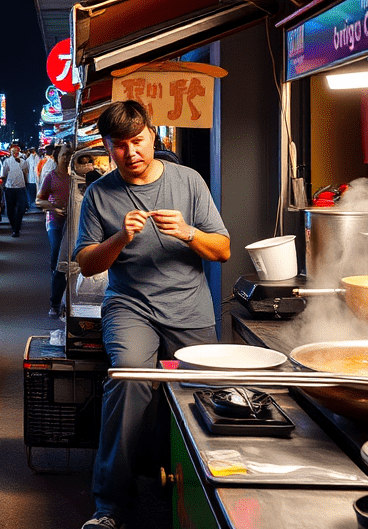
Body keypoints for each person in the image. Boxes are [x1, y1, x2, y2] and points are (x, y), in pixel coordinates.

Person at [73, 101, 231, 529]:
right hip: (130, 305)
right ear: (107, 147)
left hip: (189, 305)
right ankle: (111, 507)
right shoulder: (99, 194)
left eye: (138, 140)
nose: (132, 152)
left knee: (204, 391)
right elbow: (88, 264)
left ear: (152, 136)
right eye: (120, 145)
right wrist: (121, 236)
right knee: (128, 379)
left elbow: (223, 250)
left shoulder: (189, 181)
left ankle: (214, 492)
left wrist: (189, 232)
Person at [37, 147, 72, 318]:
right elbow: (39, 200)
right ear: (57, 158)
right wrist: (53, 208)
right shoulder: (51, 177)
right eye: (64, 155)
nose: (67, 158)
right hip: (55, 224)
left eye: (69, 155)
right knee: (59, 261)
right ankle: (55, 304)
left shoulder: (75, 178)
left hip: (72, 224)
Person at [0, 144, 28, 237]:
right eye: (13, 151)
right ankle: (14, 228)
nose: (15, 153)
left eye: (16, 151)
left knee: (21, 209)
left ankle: (17, 227)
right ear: (10, 152)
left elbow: (25, 171)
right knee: (10, 210)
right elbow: (3, 174)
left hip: (20, 188)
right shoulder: (6, 162)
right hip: (10, 188)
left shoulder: (23, 162)